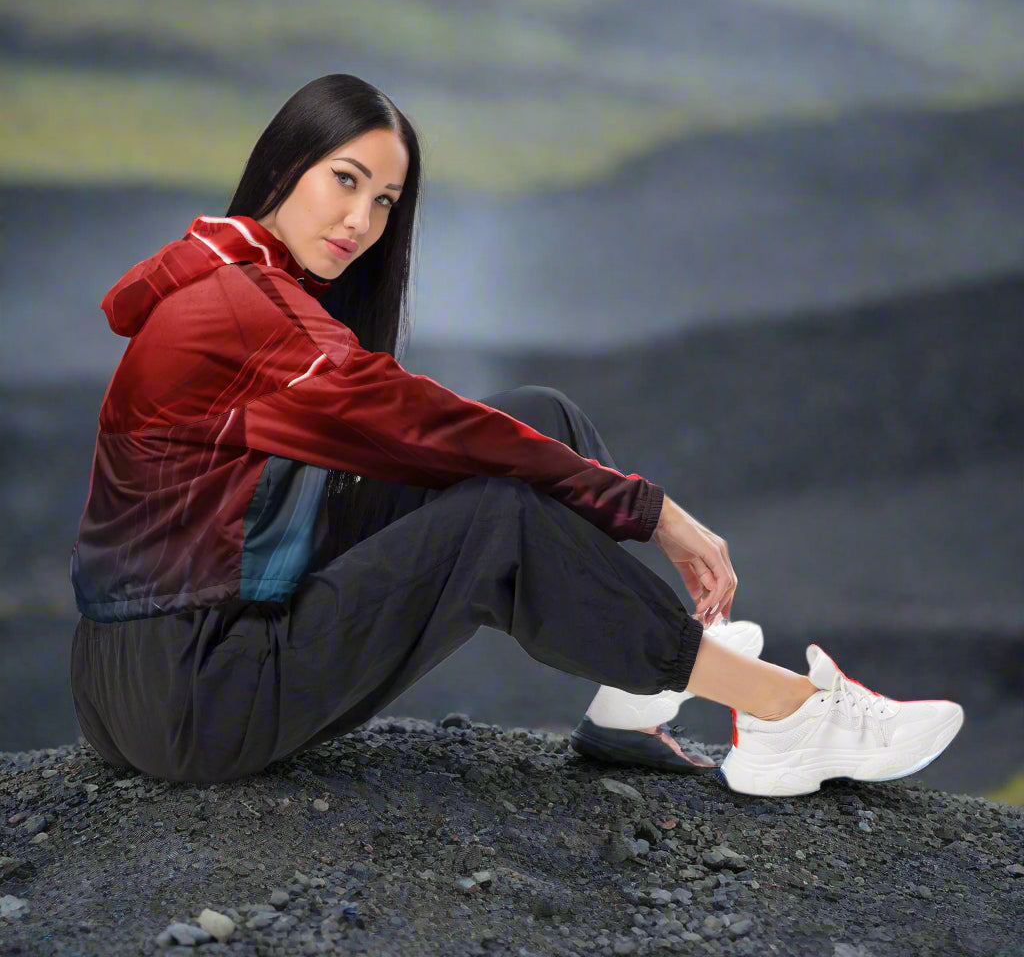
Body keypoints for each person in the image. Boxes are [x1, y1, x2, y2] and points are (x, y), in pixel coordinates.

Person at [69, 74, 963, 796]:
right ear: (284, 167)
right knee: (498, 517)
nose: (362, 224)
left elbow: (452, 431)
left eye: (385, 201)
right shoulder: (248, 317)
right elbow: (428, 425)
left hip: (155, 672)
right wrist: (650, 512)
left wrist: (621, 508)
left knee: (539, 418)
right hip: (192, 696)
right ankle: (786, 714)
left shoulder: (232, 278)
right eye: (345, 180)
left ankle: (633, 699)